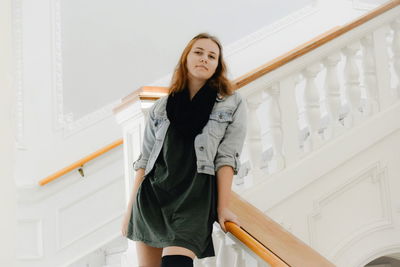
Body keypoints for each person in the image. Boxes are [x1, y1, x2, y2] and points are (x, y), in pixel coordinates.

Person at [121, 33, 247, 267]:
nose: (204, 59)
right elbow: (145, 160)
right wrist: (129, 212)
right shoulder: (161, 107)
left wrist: (223, 207)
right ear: (185, 59)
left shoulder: (232, 103)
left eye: (212, 56)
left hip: (194, 199)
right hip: (153, 199)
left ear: (218, 66)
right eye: (198, 52)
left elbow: (226, 158)